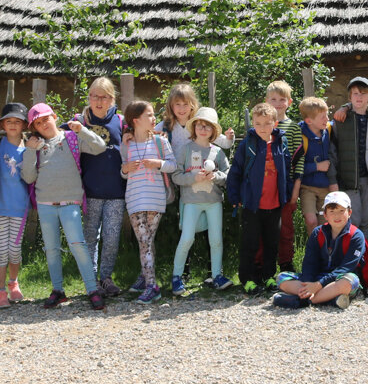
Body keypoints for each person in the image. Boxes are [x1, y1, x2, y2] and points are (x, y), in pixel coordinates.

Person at [21, 102, 108, 310]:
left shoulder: (72, 137)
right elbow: (28, 176)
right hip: (45, 203)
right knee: (51, 249)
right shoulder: (35, 146)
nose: (44, 125)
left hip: (70, 201)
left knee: (78, 244)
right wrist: (31, 151)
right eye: (38, 123)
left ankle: (92, 289)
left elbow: (100, 147)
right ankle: (58, 290)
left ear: (55, 116)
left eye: (46, 119)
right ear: (34, 128)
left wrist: (82, 129)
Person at [227, 102, 292, 294]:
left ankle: (269, 276)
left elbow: (287, 169)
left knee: (272, 242)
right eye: (258, 123)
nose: (262, 128)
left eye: (266, 123)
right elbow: (236, 171)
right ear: (253, 124)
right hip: (252, 203)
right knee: (250, 243)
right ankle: (248, 279)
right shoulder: (248, 144)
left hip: (275, 202)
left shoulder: (281, 141)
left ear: (275, 123)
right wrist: (235, 195)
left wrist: (286, 193)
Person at [170, 106, 233, 295]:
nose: (203, 129)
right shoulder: (185, 149)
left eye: (208, 126)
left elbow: (228, 175)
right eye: (200, 125)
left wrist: (217, 176)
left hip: (213, 201)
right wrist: (193, 178)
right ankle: (176, 277)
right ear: (194, 127)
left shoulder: (218, 152)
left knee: (216, 240)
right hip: (191, 201)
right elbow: (176, 176)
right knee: (187, 238)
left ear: (214, 131)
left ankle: (216, 276)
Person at [73, 77, 128, 298]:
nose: (98, 100)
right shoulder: (78, 121)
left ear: (112, 99)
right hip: (90, 191)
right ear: (89, 97)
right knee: (89, 237)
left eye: (104, 96)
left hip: (116, 190)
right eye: (94, 96)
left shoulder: (121, 121)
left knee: (112, 237)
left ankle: (106, 277)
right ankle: (91, 280)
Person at [120, 99, 177, 303]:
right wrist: (126, 169)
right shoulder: (126, 144)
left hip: (155, 199)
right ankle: (146, 279)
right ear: (136, 120)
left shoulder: (161, 142)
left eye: (154, 115)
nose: (154, 119)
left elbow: (172, 165)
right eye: (149, 115)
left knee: (144, 241)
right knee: (146, 241)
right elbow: (123, 172)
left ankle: (152, 285)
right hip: (134, 199)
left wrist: (158, 163)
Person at [272, 191, 365, 309]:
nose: (337, 216)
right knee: (281, 278)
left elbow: (346, 268)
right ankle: (330, 299)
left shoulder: (356, 236)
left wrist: (318, 285)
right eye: (332, 211)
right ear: (325, 215)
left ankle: (304, 301)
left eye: (342, 211)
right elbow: (309, 263)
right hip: (318, 278)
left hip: (339, 279)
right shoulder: (317, 233)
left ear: (349, 212)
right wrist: (309, 283)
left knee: (348, 282)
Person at [331, 76, 368, 251]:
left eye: (363, 94)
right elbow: (333, 151)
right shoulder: (341, 121)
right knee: (353, 218)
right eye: (355, 94)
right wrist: (333, 178)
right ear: (349, 97)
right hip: (349, 178)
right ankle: (350, 255)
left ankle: (365, 255)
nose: (359, 97)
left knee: (367, 219)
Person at [0, 101, 30, 306]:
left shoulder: (31, 146)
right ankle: (0, 289)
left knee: (15, 249)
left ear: (24, 125)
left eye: (18, 121)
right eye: (9, 121)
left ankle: (14, 283)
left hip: (20, 207)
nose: (13, 125)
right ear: (2, 125)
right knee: (1, 250)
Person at [264, 80, 304, 274]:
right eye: (273, 99)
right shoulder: (262, 127)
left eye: (282, 99)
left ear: (289, 102)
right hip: (265, 187)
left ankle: (286, 263)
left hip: (286, 186)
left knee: (285, 228)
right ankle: (263, 265)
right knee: (264, 228)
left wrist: (295, 190)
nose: (277, 103)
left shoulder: (294, 128)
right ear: (266, 101)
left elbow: (300, 161)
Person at [296, 97, 339, 232]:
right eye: (322, 117)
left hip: (325, 187)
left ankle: (324, 251)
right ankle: (313, 250)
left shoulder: (328, 130)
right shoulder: (299, 135)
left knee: (324, 226)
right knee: (311, 221)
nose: (327, 119)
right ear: (309, 121)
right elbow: (295, 165)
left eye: (327, 115)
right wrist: (316, 167)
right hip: (307, 187)